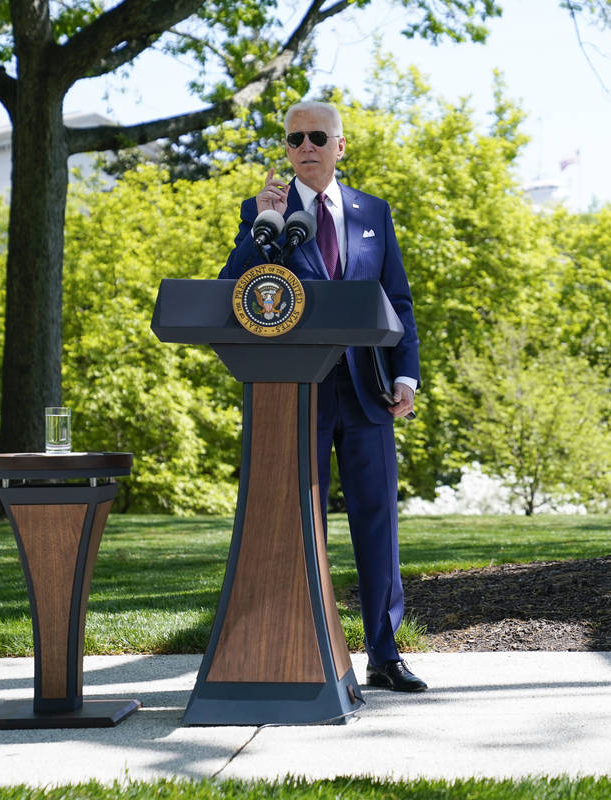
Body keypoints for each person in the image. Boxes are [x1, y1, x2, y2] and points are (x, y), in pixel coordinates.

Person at [220, 100, 425, 692]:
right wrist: (264, 226)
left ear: (341, 146)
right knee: (298, 525)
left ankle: (384, 656)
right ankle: (304, 651)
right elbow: (234, 286)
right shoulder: (266, 211)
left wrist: (406, 377)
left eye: (317, 137)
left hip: (369, 396)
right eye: (294, 139)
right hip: (296, 395)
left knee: (378, 522)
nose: (304, 147)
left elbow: (398, 301)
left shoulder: (373, 213)